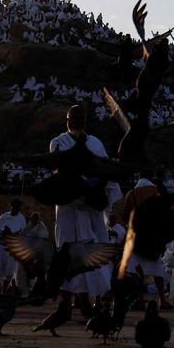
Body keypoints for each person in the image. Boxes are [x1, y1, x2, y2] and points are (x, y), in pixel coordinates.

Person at [49, 106, 114, 310]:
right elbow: (61, 169)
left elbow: (105, 170)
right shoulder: (58, 142)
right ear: (66, 120)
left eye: (79, 118)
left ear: (85, 121)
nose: (75, 122)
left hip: (91, 209)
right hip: (68, 207)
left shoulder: (95, 143)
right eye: (72, 118)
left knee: (92, 253)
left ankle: (90, 298)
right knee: (66, 253)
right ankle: (67, 302)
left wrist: (96, 187)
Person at [0, 197, 27, 294]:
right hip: (1, 247)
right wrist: (5, 234)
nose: (16, 209)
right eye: (14, 207)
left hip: (11, 250)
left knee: (9, 273)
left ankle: (4, 292)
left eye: (18, 207)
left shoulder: (21, 219)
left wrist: (12, 235)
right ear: (11, 207)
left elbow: (21, 235)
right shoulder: (4, 217)